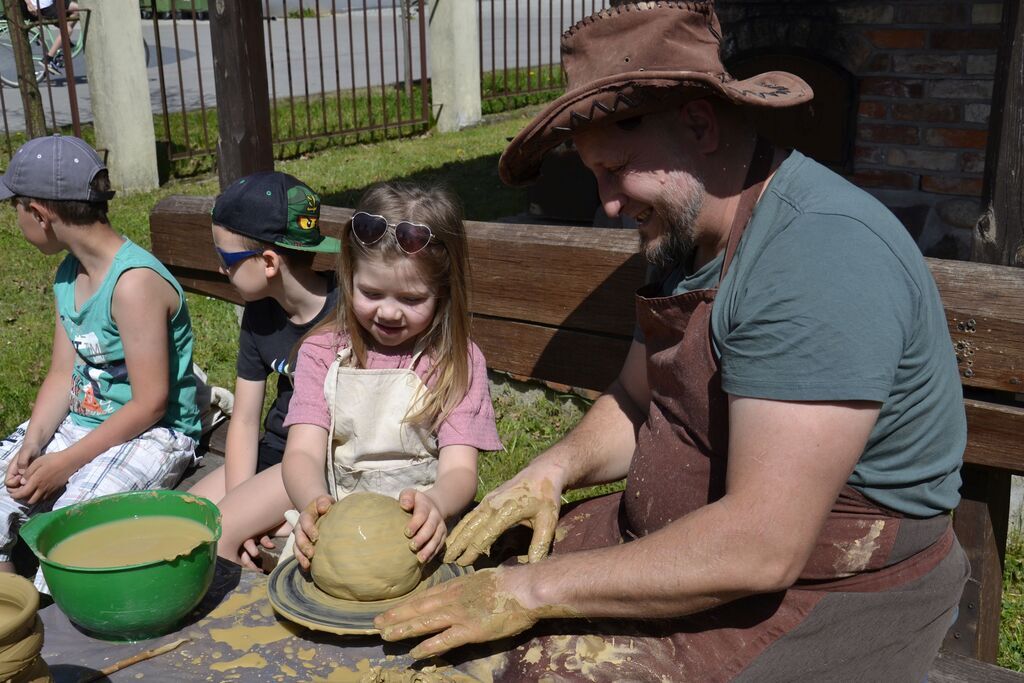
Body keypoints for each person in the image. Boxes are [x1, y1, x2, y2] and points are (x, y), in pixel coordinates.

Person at [373, 4, 970, 680]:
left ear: (699, 124)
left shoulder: (818, 257)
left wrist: (531, 591)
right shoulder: (682, 233)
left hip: (823, 592)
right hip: (685, 540)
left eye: (616, 167)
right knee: (460, 580)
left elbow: (762, 546)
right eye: (594, 172)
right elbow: (636, 397)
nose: (607, 202)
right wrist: (554, 468)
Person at [0, 135, 201, 591]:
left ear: (39, 214)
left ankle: (41, 631)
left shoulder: (133, 284)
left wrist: (64, 463)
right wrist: (32, 445)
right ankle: (13, 627)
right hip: (83, 423)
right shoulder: (71, 273)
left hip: (153, 433)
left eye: (14, 209)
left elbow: (151, 403)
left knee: (74, 537)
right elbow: (60, 374)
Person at [284, 181, 502, 569]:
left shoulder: (455, 362)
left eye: (412, 299)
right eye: (370, 293)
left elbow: (460, 471)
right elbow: (302, 451)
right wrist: (314, 506)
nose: (388, 312)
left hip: (425, 536)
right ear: (349, 275)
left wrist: (436, 502)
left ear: (444, 293)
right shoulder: (323, 353)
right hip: (339, 531)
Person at [187, 171, 340, 570]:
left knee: (214, 537)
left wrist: (239, 517)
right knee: (185, 516)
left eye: (226, 259)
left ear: (268, 261)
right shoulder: (258, 315)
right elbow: (244, 419)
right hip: (274, 450)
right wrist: (242, 499)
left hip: (316, 462)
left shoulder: (347, 310)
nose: (221, 269)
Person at [22, 0, 80, 76]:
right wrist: (29, 3)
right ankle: (48, 59)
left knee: (77, 9)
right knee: (67, 30)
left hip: (53, 2)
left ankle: (64, 41)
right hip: (43, 6)